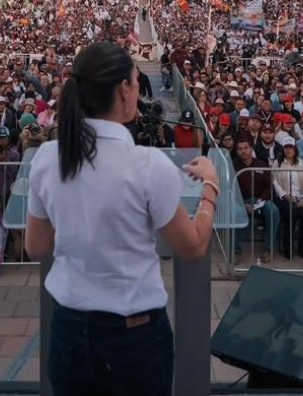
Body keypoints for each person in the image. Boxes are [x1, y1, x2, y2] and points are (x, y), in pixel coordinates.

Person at [25, 42, 219, 396]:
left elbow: (36, 245)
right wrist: (211, 185)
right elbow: (192, 247)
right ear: (124, 90)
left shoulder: (48, 157)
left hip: (68, 327)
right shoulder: (149, 165)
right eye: (135, 80)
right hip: (134, 336)